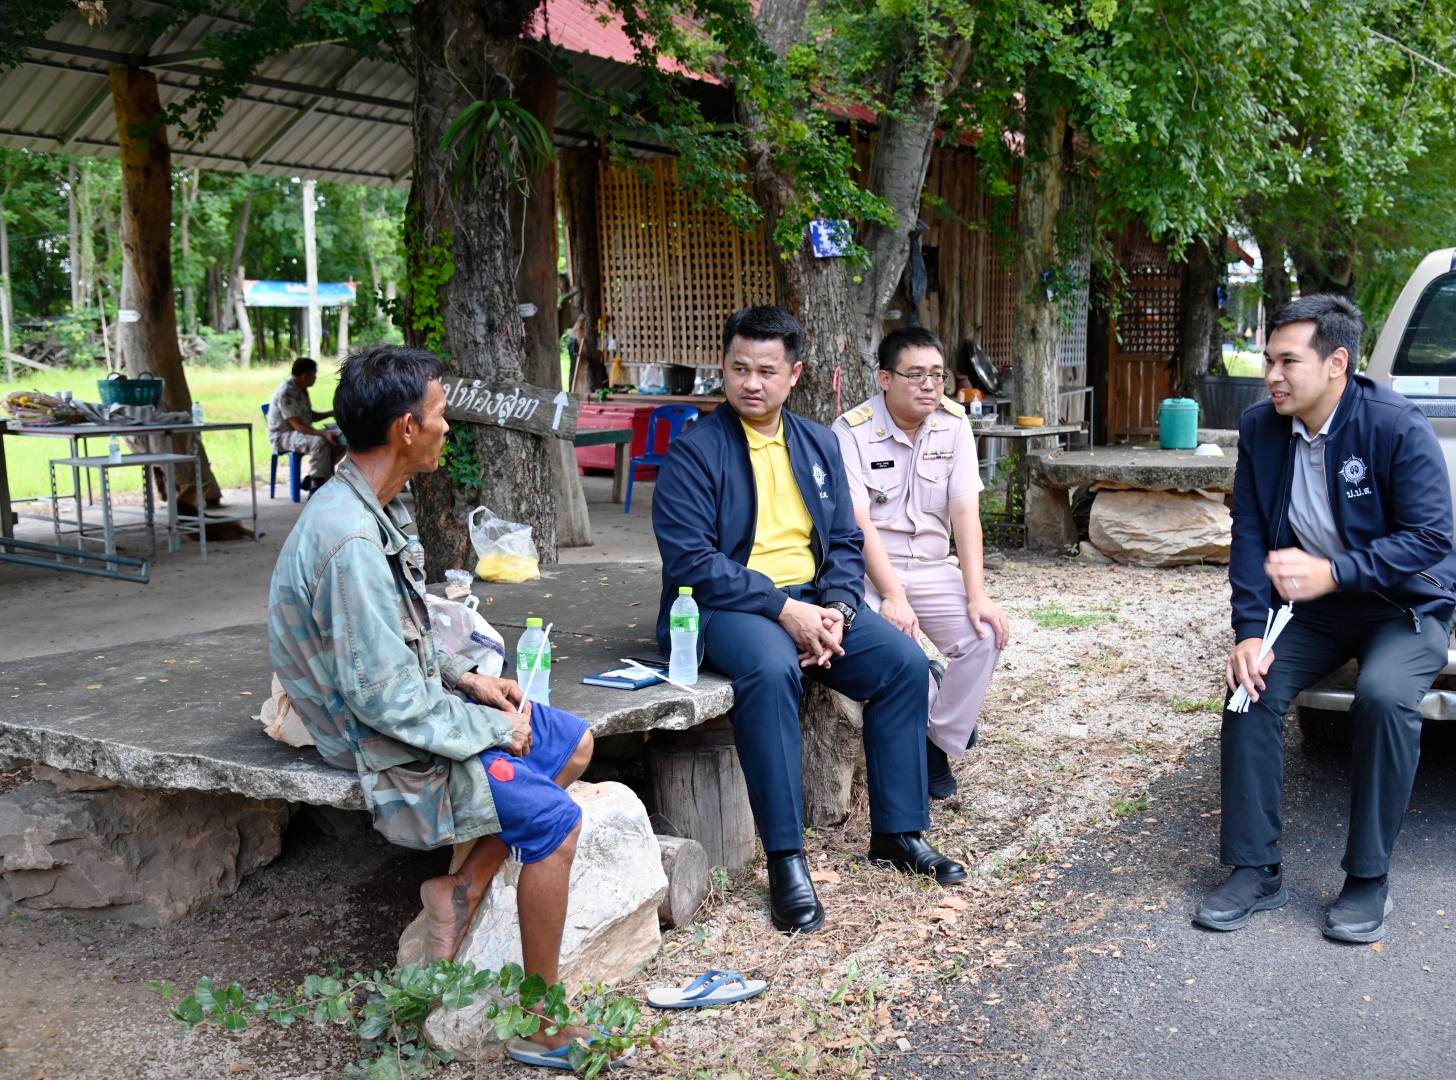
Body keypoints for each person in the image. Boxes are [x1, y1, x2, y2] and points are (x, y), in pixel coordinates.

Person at [267, 346, 608, 1066]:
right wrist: (492, 727)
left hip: (409, 699)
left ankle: (460, 887)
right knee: (555, 821)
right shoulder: (351, 540)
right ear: (405, 429)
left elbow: (397, 645)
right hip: (374, 735)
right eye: (440, 414)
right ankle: (544, 1024)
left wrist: (468, 678)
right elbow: (381, 699)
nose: (447, 426)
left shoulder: (371, 501)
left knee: (573, 743)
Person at [651, 306, 967, 935]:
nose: (751, 382)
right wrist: (785, 609)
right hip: (726, 605)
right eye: (738, 368)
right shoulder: (695, 451)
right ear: (724, 367)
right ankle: (786, 858)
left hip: (813, 601)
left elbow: (847, 542)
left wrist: (841, 611)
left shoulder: (818, 443)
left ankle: (899, 831)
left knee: (903, 664)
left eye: (766, 370)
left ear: (794, 375)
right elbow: (691, 559)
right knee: (771, 671)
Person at [1194, 294, 1456, 945]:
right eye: (1269, 361)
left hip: (1404, 604)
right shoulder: (1262, 429)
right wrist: (1250, 633)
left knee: (1382, 697)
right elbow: (1251, 537)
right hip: (1312, 608)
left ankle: (1368, 879)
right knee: (1247, 689)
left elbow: (1431, 539)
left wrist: (1336, 572)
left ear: (1337, 362)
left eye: (1289, 361)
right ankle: (1255, 868)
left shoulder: (1395, 427)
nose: (1273, 376)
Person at [832, 326, 1011, 800]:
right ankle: (931, 748)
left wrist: (978, 596)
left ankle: (935, 740)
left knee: (985, 635)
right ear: (885, 378)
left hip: (932, 566)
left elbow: (965, 513)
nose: (930, 384)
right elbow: (859, 523)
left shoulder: (954, 425)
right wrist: (893, 595)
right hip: (871, 571)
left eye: (937, 374)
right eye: (916, 375)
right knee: (898, 652)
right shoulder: (851, 431)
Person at [268, 356, 342, 490]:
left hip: (298, 432)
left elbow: (309, 416)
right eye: (314, 374)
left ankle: (314, 476)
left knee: (339, 441)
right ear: (304, 376)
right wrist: (324, 433)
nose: (315, 377)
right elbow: (298, 425)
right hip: (283, 436)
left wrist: (331, 413)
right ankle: (316, 485)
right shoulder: (287, 392)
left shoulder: (301, 389)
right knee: (320, 442)